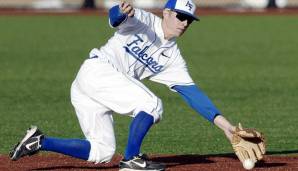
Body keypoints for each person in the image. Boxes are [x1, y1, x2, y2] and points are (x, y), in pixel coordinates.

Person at [9, 0, 265, 171]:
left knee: (102, 152)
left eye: (190, 20)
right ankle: (131, 160)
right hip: (97, 71)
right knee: (152, 104)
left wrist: (228, 128)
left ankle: (40, 141)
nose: (185, 23)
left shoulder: (173, 59)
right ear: (166, 12)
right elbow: (114, 17)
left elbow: (193, 95)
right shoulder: (143, 19)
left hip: (93, 89)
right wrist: (121, 11)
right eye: (181, 16)